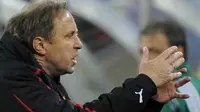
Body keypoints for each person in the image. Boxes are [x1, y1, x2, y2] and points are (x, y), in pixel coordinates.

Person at [0, 1, 190, 112]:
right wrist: (143, 84)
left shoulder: (39, 76)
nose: (79, 44)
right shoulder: (12, 78)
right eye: (69, 35)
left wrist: (150, 101)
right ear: (40, 45)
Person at [140, 21, 200, 112]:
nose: (146, 60)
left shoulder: (189, 93)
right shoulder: (141, 90)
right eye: (142, 53)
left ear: (178, 52)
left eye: (155, 51)